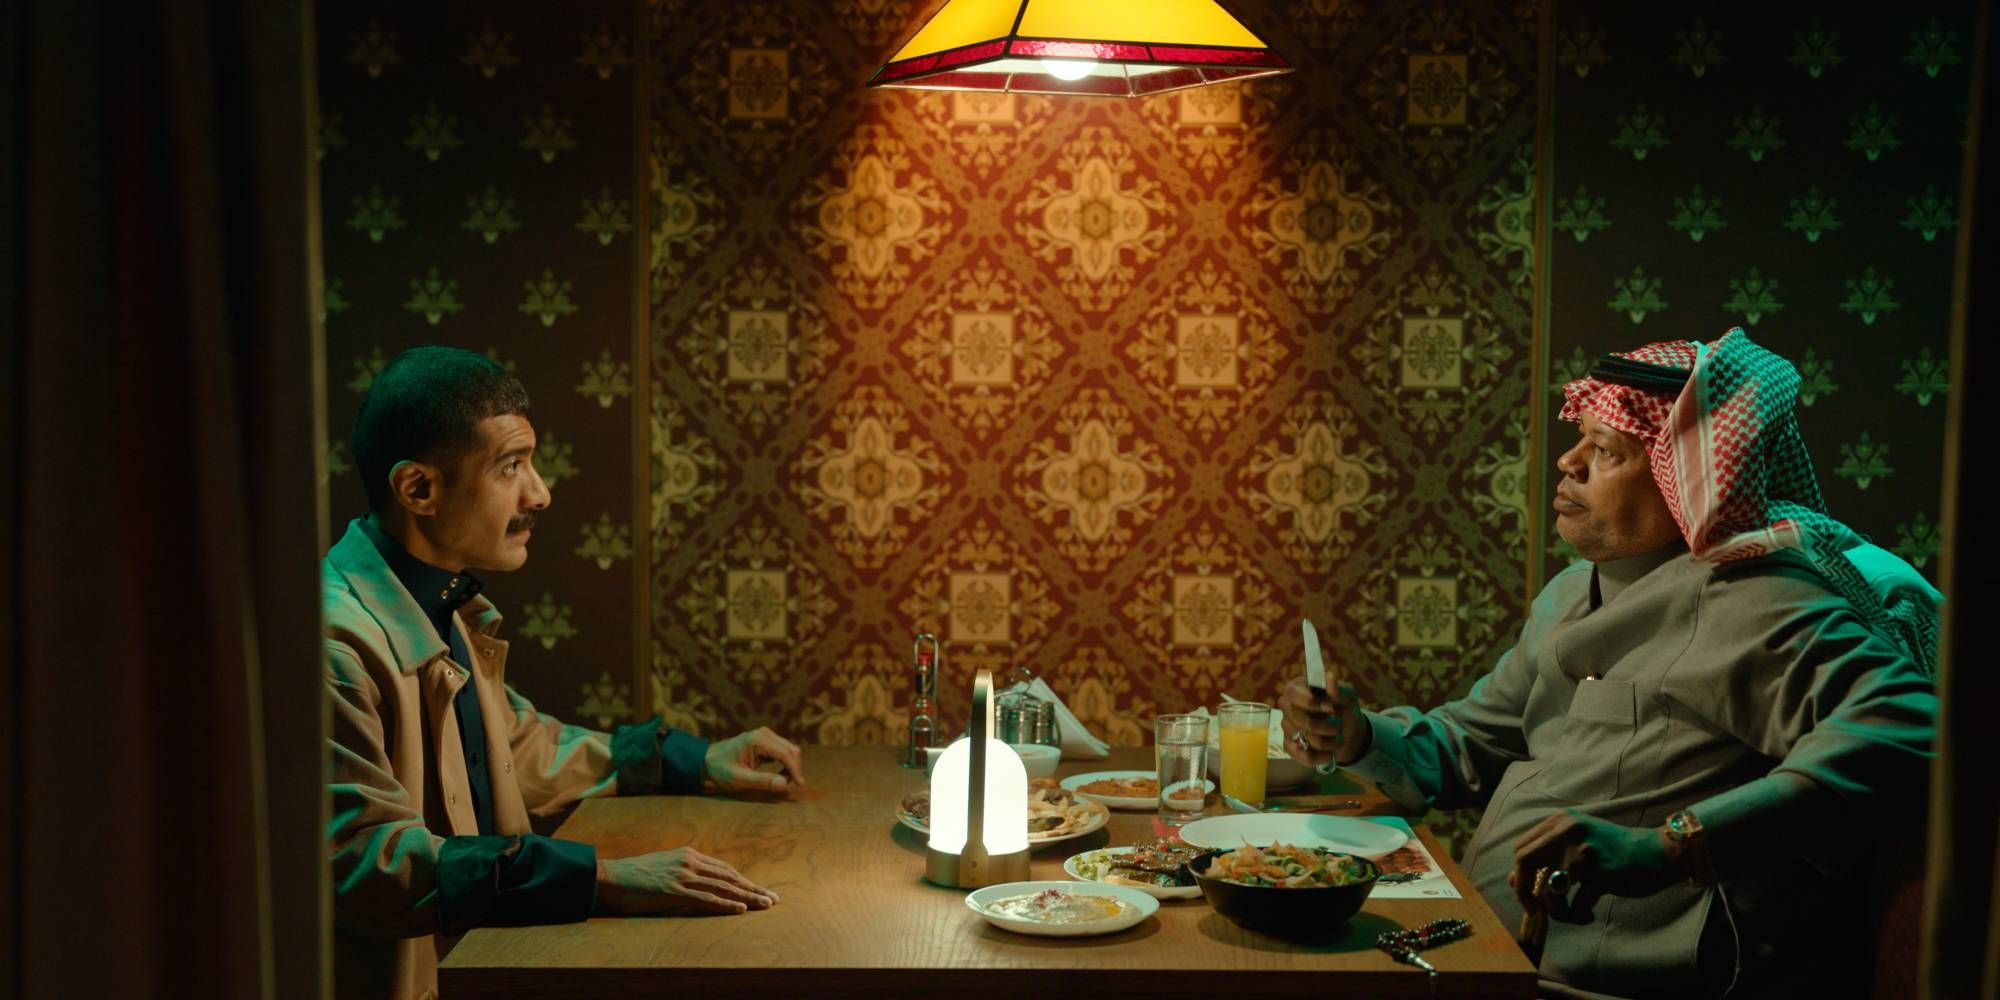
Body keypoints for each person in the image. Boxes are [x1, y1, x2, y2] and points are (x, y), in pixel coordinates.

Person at [1280, 329, 1939, 998]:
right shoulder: (1570, 592)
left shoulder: (1753, 601)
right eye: (1579, 439)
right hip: (1484, 954)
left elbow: (1911, 726)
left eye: (1606, 449)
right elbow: (1475, 741)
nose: (1568, 463)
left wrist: (1669, 848)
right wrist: (1359, 736)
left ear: (1690, 478)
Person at [325, 346, 807, 1000]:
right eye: (511, 466)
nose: (540, 493)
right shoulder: (334, 644)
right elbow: (365, 862)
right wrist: (602, 877)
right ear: (418, 489)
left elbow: (523, 748)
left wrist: (695, 760)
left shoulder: (441, 601)